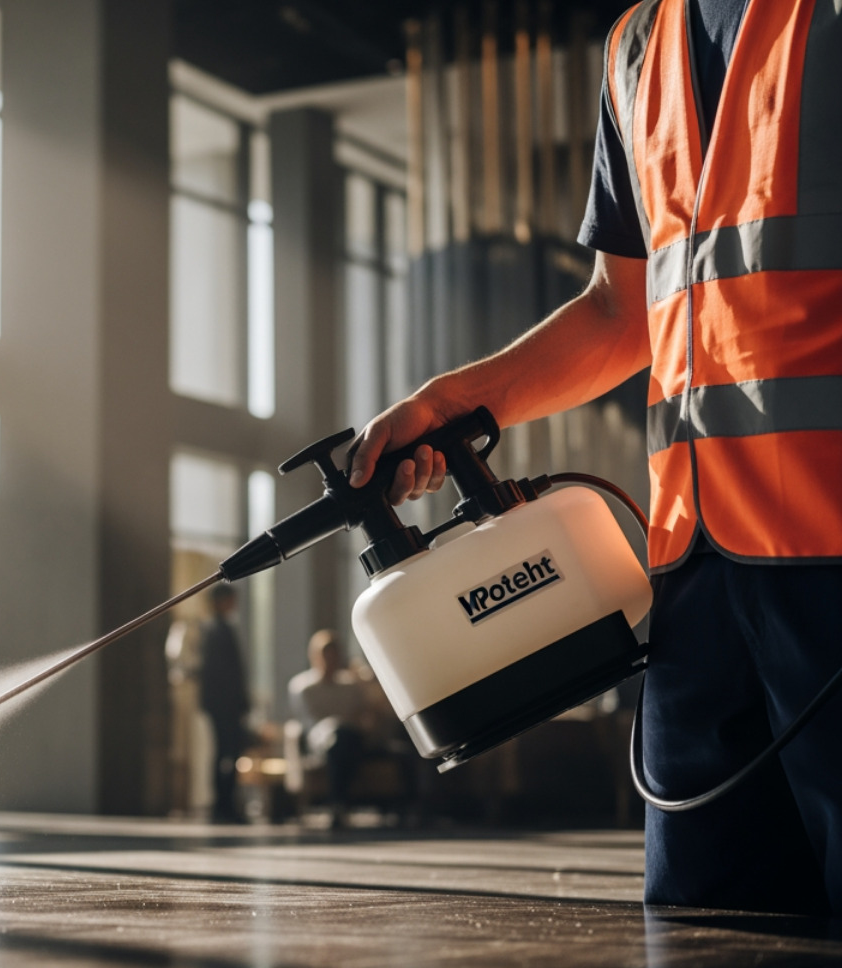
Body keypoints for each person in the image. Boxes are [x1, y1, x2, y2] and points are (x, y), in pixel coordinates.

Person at [350, 0, 842, 916]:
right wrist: (457, 402)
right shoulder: (637, 47)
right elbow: (624, 311)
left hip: (832, 551)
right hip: (696, 575)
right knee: (708, 927)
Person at [288, 631, 367, 809]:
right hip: (320, 740)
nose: (330, 661)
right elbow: (308, 721)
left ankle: (339, 801)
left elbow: (359, 714)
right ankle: (339, 801)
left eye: (334, 655)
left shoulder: (351, 686)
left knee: (346, 741)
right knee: (338, 742)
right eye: (326, 655)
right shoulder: (303, 687)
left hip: (350, 736)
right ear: (314, 656)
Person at [198, 583, 249, 823]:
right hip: (224, 706)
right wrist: (237, 703)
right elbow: (222, 674)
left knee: (225, 754)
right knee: (226, 754)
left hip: (223, 705)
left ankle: (225, 803)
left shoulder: (218, 629)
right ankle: (224, 804)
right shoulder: (217, 631)